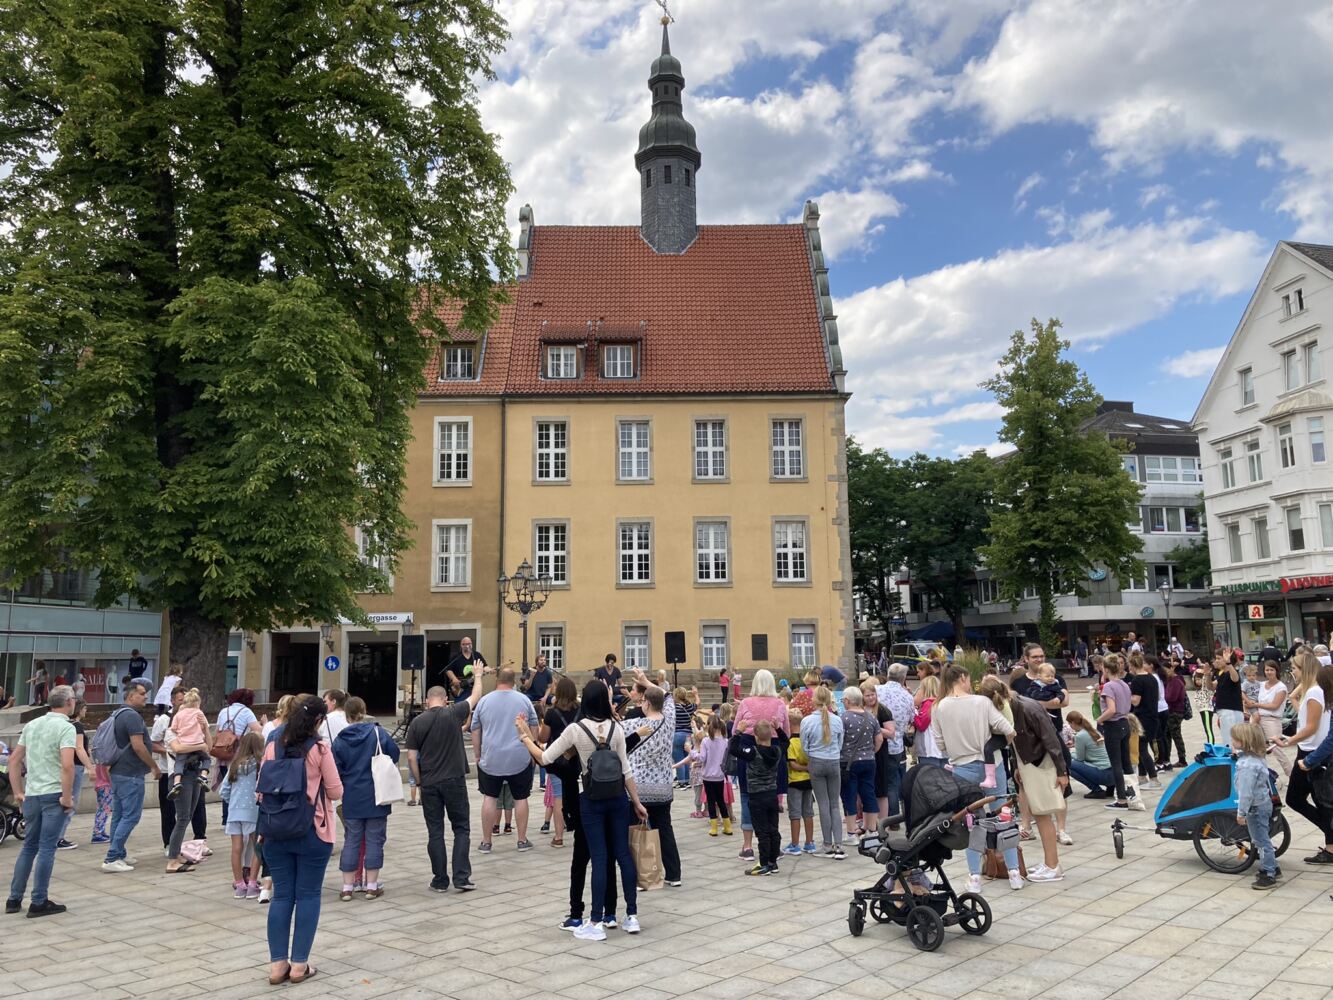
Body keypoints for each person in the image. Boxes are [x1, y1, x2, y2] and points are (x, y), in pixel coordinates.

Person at [515, 680, 650, 942]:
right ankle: (631, 915)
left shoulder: (576, 730)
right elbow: (626, 770)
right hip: (618, 798)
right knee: (623, 855)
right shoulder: (617, 728)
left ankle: (596, 921)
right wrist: (636, 802)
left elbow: (545, 758)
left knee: (599, 858)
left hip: (592, 799)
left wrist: (524, 736)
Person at [261, 694, 343, 985]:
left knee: (282, 896)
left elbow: (260, 789)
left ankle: (277, 965)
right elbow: (335, 791)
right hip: (312, 829)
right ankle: (299, 965)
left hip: (275, 829)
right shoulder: (319, 748)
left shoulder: (273, 744)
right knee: (308, 895)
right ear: (319, 720)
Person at [930, 664, 1021, 893]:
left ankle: (974, 876)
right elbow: (1008, 728)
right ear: (963, 678)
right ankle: (1013, 871)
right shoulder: (982, 702)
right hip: (992, 764)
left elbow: (940, 743)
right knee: (1003, 816)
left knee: (972, 822)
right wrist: (998, 744)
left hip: (962, 766)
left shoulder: (938, 707)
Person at [406, 677, 487, 893]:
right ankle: (461, 877)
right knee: (461, 828)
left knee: (435, 831)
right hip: (454, 780)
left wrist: (419, 781)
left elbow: (411, 758)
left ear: (427, 701)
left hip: (429, 782)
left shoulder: (417, 723)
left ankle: (440, 880)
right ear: (445, 700)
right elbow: (476, 696)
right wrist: (478, 676)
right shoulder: (453, 713)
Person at [5, 685, 77, 917]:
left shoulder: (33, 725)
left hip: (33, 793)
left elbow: (14, 760)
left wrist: (18, 791)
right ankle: (39, 900)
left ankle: (14, 898)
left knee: (29, 846)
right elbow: (67, 765)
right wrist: (67, 796)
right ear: (69, 702)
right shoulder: (66, 727)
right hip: (54, 793)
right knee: (47, 848)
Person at [993, 676, 1068, 882]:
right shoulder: (1016, 706)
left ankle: (1053, 865)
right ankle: (1050, 863)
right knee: (1040, 813)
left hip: (1040, 763)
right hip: (1030, 761)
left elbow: (1051, 739)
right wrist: (1017, 766)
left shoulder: (1027, 708)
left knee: (1043, 814)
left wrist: (1061, 772)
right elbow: (1015, 740)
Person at [332, 697, 401, 901]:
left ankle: (347, 887)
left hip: (352, 795)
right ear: (364, 711)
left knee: (351, 840)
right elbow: (395, 753)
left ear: (346, 715)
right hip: (376, 794)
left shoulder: (340, 740)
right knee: (374, 840)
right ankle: (371, 885)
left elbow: (335, 768)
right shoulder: (377, 732)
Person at [617, 674, 682, 887]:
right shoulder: (669, 720)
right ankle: (674, 874)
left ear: (645, 703)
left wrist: (610, 703)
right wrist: (647, 682)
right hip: (663, 787)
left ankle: (640, 874)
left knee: (636, 831)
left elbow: (614, 728)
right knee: (665, 829)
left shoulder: (636, 724)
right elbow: (669, 696)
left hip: (638, 789)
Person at [471, 666, 539, 853]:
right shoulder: (524, 700)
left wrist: (477, 754)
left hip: (491, 757)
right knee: (521, 798)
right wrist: (534, 751)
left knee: (490, 797)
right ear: (513, 681)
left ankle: (486, 842)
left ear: (497, 680)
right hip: (519, 757)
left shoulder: (484, 701)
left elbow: (475, 729)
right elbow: (534, 726)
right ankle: (522, 840)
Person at [101, 679, 162, 873]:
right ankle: (112, 857)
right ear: (130, 695)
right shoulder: (132, 716)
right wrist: (154, 766)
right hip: (131, 774)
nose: (146, 697)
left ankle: (119, 852)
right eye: (142, 693)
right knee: (131, 816)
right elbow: (138, 746)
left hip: (119, 772)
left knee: (119, 815)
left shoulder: (119, 713)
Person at [1277, 656, 1333, 865]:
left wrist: (1290, 741)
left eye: (1295, 668)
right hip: (1312, 750)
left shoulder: (1315, 692)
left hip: (1312, 752)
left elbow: (1312, 727)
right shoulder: (1314, 690)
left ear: (1305, 669)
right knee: (1321, 801)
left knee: (1296, 798)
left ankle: (1331, 837)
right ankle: (1330, 845)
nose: (1292, 672)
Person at [732, 669, 790, 863]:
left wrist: (740, 733)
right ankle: (774, 845)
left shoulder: (746, 703)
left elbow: (735, 730)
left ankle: (748, 846)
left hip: (748, 750)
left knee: (746, 797)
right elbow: (786, 733)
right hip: (773, 750)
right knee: (772, 799)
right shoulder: (780, 704)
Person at [730, 719, 784, 875]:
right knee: (773, 829)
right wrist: (779, 729)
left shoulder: (753, 752)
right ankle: (773, 862)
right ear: (770, 735)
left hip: (757, 795)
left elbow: (733, 748)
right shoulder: (777, 751)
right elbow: (785, 742)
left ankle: (764, 863)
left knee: (762, 831)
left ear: (755, 736)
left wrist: (738, 732)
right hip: (772, 794)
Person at [1232, 722, 1280, 889]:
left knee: (1261, 840)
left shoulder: (1246, 766)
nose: (1232, 742)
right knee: (1262, 837)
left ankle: (1269, 873)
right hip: (1263, 802)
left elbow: (1246, 793)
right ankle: (1272, 866)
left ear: (1244, 742)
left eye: (1235, 739)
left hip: (1255, 807)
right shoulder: (1256, 758)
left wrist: (1241, 813)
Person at [800, 685, 844, 859]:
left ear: (814, 700)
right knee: (835, 804)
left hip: (816, 761)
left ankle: (827, 844)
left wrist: (811, 755)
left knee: (823, 804)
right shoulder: (837, 720)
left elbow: (804, 746)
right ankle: (839, 844)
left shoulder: (807, 721)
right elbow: (840, 743)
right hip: (834, 761)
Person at [1097, 654, 1144, 812]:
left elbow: (1111, 709)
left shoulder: (1109, 686)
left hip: (1113, 725)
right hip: (1125, 722)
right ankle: (1133, 795)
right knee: (1126, 762)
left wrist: (1099, 719)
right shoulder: (1124, 684)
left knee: (1116, 763)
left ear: (1105, 669)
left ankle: (1122, 799)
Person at [220, 733, 264, 899]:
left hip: (234, 811)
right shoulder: (259, 765)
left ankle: (239, 885)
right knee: (257, 847)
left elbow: (224, 790)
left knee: (236, 849)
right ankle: (252, 883)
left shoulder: (235, 764)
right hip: (252, 811)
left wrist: (233, 801)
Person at [537, 678, 577, 847]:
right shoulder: (579, 711)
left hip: (556, 759)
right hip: (575, 757)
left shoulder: (552, 713)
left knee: (559, 797)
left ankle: (559, 836)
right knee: (573, 792)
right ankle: (576, 828)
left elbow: (543, 738)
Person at [839, 687, 882, 840]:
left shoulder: (844, 718)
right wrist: (872, 752)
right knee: (869, 794)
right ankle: (872, 830)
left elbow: (839, 740)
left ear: (847, 700)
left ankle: (851, 833)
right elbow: (879, 739)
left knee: (849, 795)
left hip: (848, 762)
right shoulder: (871, 717)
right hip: (869, 761)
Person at [873, 664, 914, 815]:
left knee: (876, 781)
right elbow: (911, 720)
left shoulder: (876, 691)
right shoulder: (907, 697)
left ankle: (878, 815)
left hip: (876, 742)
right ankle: (894, 817)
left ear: (888, 674)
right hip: (896, 744)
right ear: (904, 678)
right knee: (892, 782)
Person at [55, 698, 95, 850]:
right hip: (75, 766)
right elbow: (79, 748)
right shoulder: (77, 726)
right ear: (79, 709)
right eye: (84, 708)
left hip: (62, 765)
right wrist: (90, 767)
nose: (86, 711)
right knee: (70, 801)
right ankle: (59, 837)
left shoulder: (64, 725)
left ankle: (55, 836)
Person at [166, 688, 213, 799]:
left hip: (185, 744)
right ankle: (204, 776)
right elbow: (177, 748)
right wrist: (201, 745)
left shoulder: (179, 716)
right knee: (207, 759)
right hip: (197, 744)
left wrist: (180, 730)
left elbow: (174, 728)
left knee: (179, 763)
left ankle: (177, 782)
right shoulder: (199, 713)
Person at [691, 715, 732, 835]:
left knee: (711, 801)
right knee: (721, 800)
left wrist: (692, 752)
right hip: (720, 776)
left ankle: (714, 828)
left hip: (708, 776)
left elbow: (702, 758)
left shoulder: (706, 741)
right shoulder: (726, 741)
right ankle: (727, 826)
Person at [784, 707, 816, 855]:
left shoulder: (791, 742)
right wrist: (809, 768)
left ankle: (795, 844)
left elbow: (793, 764)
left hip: (794, 781)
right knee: (808, 812)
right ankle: (809, 842)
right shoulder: (807, 741)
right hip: (808, 781)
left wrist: (803, 768)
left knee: (795, 814)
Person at [1127, 655, 1161, 790]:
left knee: (1141, 749)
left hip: (1142, 717)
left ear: (1132, 665)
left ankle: (1154, 778)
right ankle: (1142, 776)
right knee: (1141, 746)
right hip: (1152, 716)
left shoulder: (1137, 680)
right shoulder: (1152, 678)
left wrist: (1125, 694)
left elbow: (1136, 701)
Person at [1253, 661, 1291, 777]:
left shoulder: (1281, 687)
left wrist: (1256, 705)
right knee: (1257, 748)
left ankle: (1292, 775)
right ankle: (1262, 776)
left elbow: (1275, 705)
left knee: (1276, 749)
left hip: (1272, 719)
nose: (1269, 672)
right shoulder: (1261, 684)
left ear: (1276, 671)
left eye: (1271, 670)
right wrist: (1253, 709)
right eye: (1267, 670)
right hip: (1258, 718)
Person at [1066, 710, 1115, 797]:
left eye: (1069, 724)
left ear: (1072, 723)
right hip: (1112, 772)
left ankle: (1097, 790)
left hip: (1103, 774)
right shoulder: (1093, 731)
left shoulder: (1080, 736)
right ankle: (1110, 788)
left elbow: (1080, 758)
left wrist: (1069, 753)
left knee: (1068, 763)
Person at [1159, 659, 1189, 771]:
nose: (1165, 673)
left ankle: (1182, 759)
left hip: (1175, 712)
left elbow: (1171, 697)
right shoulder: (1170, 680)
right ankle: (1167, 759)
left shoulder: (1176, 681)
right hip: (1172, 711)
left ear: (1171, 668)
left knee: (1175, 735)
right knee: (1168, 735)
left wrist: (1163, 697)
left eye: (1166, 670)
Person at [911, 675, 946, 768]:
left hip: (930, 749)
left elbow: (921, 725)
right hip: (944, 750)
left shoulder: (928, 704)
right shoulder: (943, 703)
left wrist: (914, 712)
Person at [1213, 649, 1245, 745]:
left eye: (1219, 658)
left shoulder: (1233, 672)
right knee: (1230, 740)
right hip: (1225, 710)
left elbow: (1235, 678)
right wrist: (1206, 675)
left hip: (1230, 710)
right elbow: (1211, 686)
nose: (1216, 661)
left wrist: (1228, 663)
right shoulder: (1222, 674)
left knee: (1230, 741)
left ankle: (1232, 753)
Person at [671, 686, 696, 786]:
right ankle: (687, 779)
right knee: (687, 758)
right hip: (688, 734)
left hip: (677, 734)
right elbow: (697, 703)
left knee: (679, 759)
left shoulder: (674, 707)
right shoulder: (689, 706)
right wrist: (696, 694)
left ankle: (682, 781)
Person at [1193, 658, 1217, 744]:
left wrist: (1205, 674)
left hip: (1206, 708)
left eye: (1199, 679)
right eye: (1196, 679)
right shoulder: (1198, 687)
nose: (1197, 681)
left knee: (1208, 729)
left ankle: (1211, 747)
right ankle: (1211, 746)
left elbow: (1207, 680)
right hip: (1201, 708)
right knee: (1207, 729)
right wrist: (1197, 672)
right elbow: (1195, 677)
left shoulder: (1207, 683)